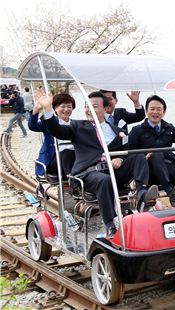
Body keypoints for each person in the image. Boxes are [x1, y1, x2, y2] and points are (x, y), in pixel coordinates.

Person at [36, 90, 158, 238]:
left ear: (105, 109)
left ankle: (142, 194)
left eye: (94, 106)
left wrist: (120, 159)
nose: (88, 110)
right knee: (103, 180)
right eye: (87, 106)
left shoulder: (117, 131)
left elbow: (127, 151)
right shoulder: (77, 126)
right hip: (87, 173)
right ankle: (111, 223)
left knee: (138, 156)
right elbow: (57, 130)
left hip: (112, 170)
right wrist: (47, 109)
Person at [128, 95, 175, 207]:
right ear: (146, 111)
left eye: (159, 109)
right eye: (152, 109)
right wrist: (143, 158)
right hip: (149, 170)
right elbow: (130, 152)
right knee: (156, 153)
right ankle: (170, 192)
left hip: (169, 166)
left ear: (163, 112)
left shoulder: (168, 128)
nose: (155, 112)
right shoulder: (137, 130)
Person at [28, 93, 76, 177]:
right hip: (53, 160)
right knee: (67, 152)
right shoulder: (49, 123)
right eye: (63, 106)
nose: (66, 109)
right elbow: (33, 126)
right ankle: (73, 180)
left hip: (74, 160)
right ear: (55, 109)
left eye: (69, 107)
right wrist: (36, 109)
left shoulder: (76, 124)